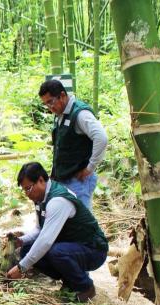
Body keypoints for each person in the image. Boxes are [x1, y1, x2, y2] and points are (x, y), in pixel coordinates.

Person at [6, 162, 108, 301]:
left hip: (93, 249)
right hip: (72, 246)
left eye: (28, 188)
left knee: (56, 252)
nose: (27, 194)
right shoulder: (40, 198)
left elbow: (45, 240)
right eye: (24, 190)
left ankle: (85, 287)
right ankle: (70, 281)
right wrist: (21, 241)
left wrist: (21, 268)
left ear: (41, 180)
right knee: (26, 250)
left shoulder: (58, 201)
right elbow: (40, 229)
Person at [38, 80, 108, 210]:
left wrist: (90, 168)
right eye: (46, 104)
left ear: (62, 95)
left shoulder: (80, 114)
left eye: (51, 102)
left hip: (79, 181)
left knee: (83, 224)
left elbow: (101, 138)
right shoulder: (60, 114)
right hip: (64, 180)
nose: (50, 107)